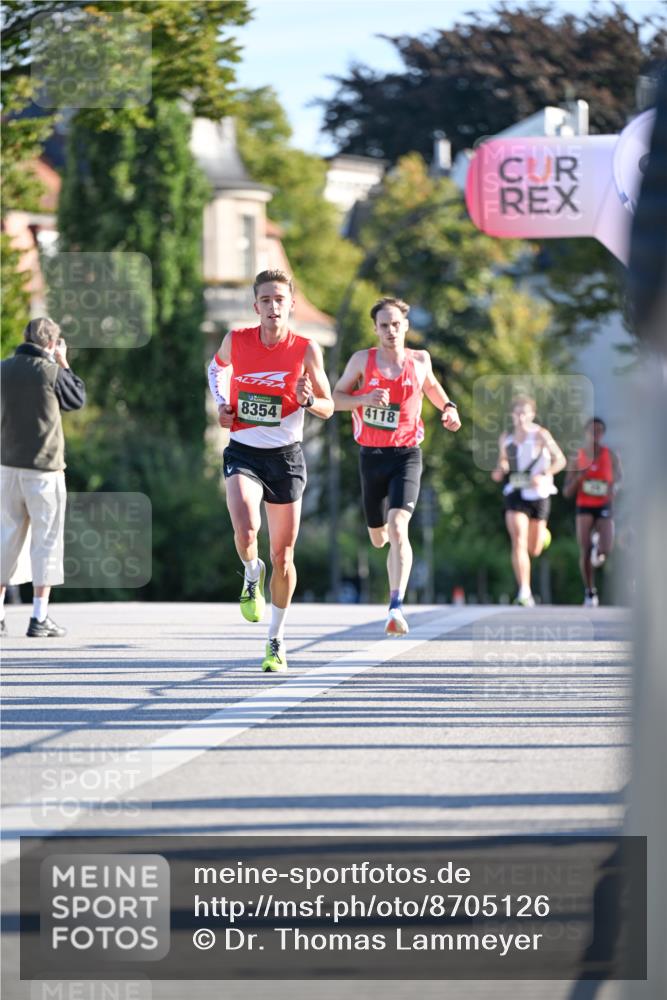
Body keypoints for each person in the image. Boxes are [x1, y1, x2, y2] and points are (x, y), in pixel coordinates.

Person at [207, 269, 333, 672]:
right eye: (266, 300)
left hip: (286, 458)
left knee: (283, 556)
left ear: (291, 303)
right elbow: (216, 368)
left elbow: (329, 406)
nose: (273, 307)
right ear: (255, 305)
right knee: (246, 529)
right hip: (243, 450)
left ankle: (276, 639)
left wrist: (309, 399)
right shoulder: (238, 340)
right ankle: (249, 571)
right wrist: (223, 403)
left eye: (280, 299)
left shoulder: (306, 350)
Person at [332, 297, 461, 636]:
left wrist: (448, 407)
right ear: (375, 329)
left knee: (398, 525)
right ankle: (387, 547)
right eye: (384, 325)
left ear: (406, 326)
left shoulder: (420, 361)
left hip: (406, 454)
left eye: (396, 324)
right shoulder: (363, 361)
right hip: (371, 457)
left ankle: (395, 606)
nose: (390, 330)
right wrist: (362, 399)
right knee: (379, 538)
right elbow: (334, 399)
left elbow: (431, 386)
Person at [1, 317, 86, 636]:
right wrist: (63, 362)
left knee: (6, 538)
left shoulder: (3, 368)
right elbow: (76, 399)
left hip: (7, 466)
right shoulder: (50, 371)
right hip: (44, 469)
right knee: (46, 541)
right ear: (51, 344)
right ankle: (39, 617)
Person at [491, 395, 565, 607]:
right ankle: (524, 591)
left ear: (532, 414)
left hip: (539, 494)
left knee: (534, 549)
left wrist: (544, 474)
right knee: (518, 540)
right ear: (512, 415)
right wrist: (500, 470)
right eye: (517, 413)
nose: (521, 417)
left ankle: (543, 535)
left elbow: (561, 460)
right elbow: (502, 463)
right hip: (515, 492)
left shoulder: (541, 435)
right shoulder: (506, 438)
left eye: (525, 413)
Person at [563, 417, 622, 607]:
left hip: (604, 504)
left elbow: (620, 479)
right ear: (585, 433)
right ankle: (590, 591)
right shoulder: (577, 457)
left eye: (599, 431)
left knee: (606, 548)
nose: (595, 435)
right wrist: (579, 479)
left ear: (603, 434)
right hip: (585, 506)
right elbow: (566, 492)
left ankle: (600, 547)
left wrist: (615, 489)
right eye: (591, 431)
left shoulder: (611, 455)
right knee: (585, 548)